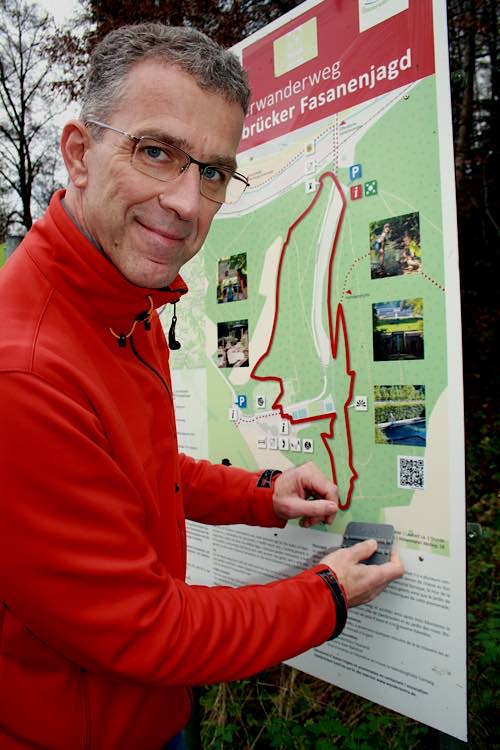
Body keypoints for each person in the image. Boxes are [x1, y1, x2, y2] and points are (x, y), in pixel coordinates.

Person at [0, 23, 404, 750]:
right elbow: (142, 631)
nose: (187, 203)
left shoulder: (122, 295)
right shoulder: (24, 372)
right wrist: (327, 598)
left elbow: (134, 471)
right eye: (157, 152)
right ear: (78, 153)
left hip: (151, 714)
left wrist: (258, 494)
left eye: (212, 172)